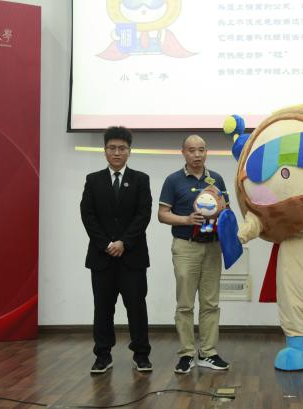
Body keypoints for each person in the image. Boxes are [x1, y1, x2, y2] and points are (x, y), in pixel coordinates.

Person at [80, 126, 153, 374]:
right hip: (101, 257)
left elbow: (143, 215)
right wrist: (106, 244)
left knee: (136, 308)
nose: (117, 152)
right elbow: (88, 216)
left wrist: (124, 243)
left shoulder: (141, 179)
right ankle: (102, 355)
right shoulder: (93, 180)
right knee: (102, 309)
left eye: (122, 148)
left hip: (132, 256)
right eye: (112, 148)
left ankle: (141, 355)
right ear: (105, 151)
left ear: (129, 151)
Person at [158, 134, 230, 374]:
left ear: (206, 152)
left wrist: (221, 213)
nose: (197, 155)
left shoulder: (216, 179)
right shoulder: (173, 180)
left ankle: (208, 353)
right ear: (183, 153)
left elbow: (226, 209)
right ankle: (187, 354)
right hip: (185, 246)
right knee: (185, 304)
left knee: (211, 303)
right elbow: (162, 214)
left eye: (202, 150)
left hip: (213, 246)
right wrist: (187, 220)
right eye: (192, 150)